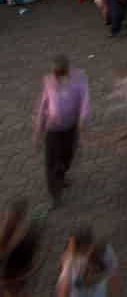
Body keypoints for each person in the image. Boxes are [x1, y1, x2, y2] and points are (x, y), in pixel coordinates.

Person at [34, 56, 89, 203]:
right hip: (53, 129)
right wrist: (38, 132)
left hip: (70, 127)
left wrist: (83, 117)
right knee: (52, 163)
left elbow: (85, 98)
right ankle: (55, 195)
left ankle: (62, 175)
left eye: (60, 72)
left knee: (67, 157)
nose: (57, 77)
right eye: (55, 73)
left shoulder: (79, 78)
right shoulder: (49, 81)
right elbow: (43, 105)